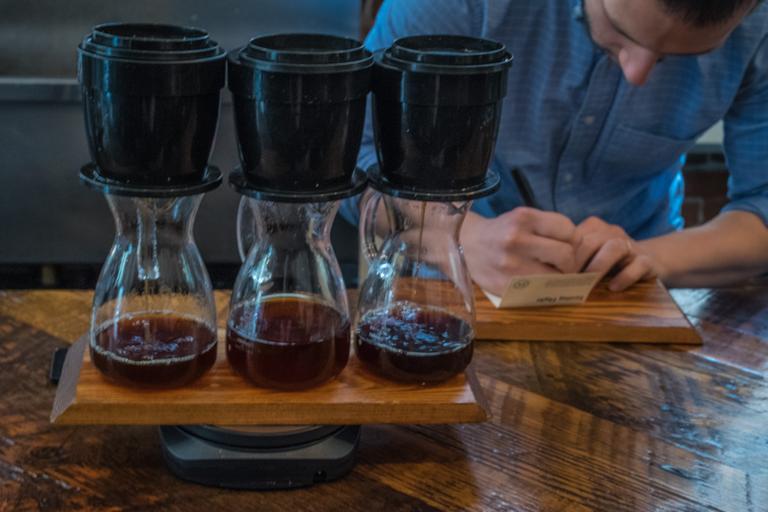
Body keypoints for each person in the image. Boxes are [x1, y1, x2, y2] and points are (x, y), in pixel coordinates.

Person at [340, 0, 768, 295]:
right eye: (618, 33)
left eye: (676, 56)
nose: (637, 75)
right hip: (447, 292)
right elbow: (350, 162)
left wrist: (650, 258)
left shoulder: (759, 30)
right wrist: (458, 237)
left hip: (629, 299)